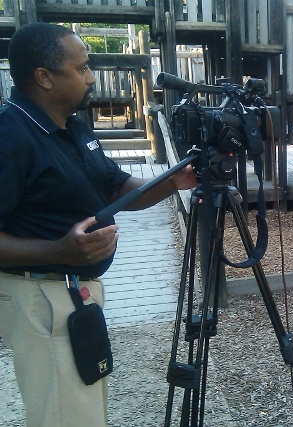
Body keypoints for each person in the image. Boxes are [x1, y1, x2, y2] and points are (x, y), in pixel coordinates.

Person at [0, 23, 197, 426]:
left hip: (75, 295)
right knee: (63, 416)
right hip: (40, 295)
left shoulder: (73, 128)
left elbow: (115, 189)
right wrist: (58, 251)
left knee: (82, 411)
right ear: (44, 77)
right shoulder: (10, 137)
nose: (92, 77)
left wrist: (172, 179)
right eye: (83, 68)